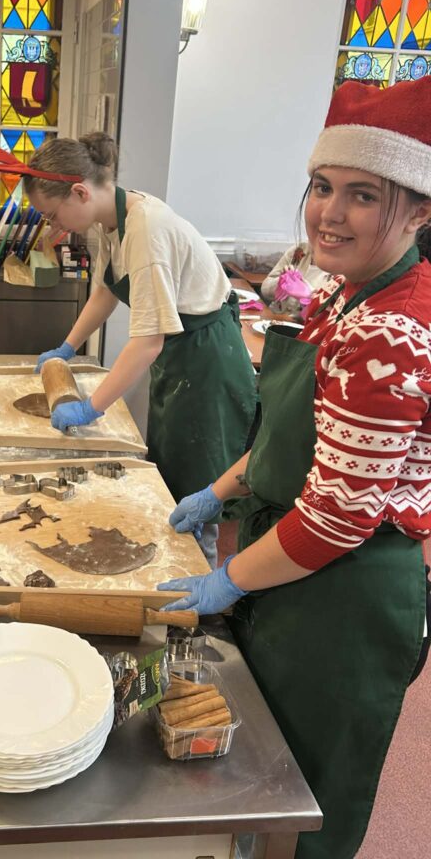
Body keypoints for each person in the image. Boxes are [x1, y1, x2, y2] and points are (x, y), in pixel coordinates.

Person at [160, 77, 431, 859]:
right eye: (321, 186)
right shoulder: (345, 297)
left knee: (302, 793)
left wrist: (228, 579)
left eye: (363, 195)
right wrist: (219, 491)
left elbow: (339, 518)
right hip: (295, 561)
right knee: (262, 762)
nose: (329, 213)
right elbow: (294, 435)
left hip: (344, 594)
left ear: (418, 211)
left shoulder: (390, 332)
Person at [22, 132, 258, 569]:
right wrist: (67, 347)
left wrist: (91, 407)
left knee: (197, 492)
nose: (55, 226)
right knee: (170, 477)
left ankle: (200, 578)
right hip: (182, 359)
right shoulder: (112, 221)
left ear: (80, 192)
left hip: (207, 364)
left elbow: (148, 341)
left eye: (53, 215)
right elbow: (106, 292)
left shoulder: (147, 229)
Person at [260, 241, 330, 315]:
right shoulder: (300, 249)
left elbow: (328, 315)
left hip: (306, 322)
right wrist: (281, 282)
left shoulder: (338, 272)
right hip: (274, 316)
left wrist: (309, 294)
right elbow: (265, 290)